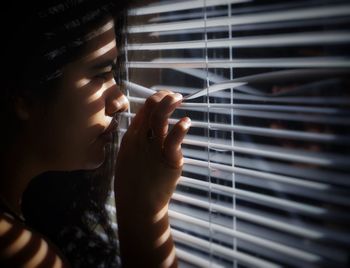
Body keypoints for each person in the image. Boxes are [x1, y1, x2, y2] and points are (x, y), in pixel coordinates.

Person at [0, 1, 191, 267]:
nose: (121, 101)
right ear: (23, 95)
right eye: (100, 74)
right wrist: (144, 210)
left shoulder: (33, 218)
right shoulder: (18, 251)